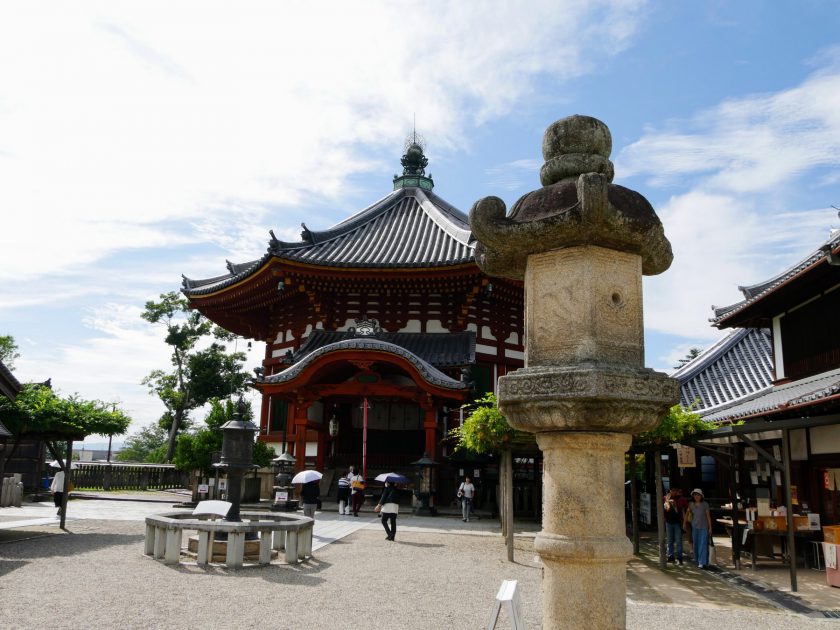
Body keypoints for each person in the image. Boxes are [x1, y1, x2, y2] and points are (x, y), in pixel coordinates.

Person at [684, 488, 713, 569]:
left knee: (703, 545)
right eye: (695, 495)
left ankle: (702, 562)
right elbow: (687, 514)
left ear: (701, 496)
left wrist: (710, 527)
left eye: (698, 495)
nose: (696, 496)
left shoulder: (705, 504)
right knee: (696, 545)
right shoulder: (691, 504)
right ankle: (698, 560)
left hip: (704, 527)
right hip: (695, 527)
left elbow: (708, 517)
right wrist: (684, 523)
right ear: (693, 496)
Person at [663, 487, 685, 565]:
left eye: (675, 490)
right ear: (670, 490)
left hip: (677, 523)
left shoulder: (680, 499)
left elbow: (680, 511)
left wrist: (675, 505)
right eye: (672, 490)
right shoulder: (666, 498)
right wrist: (667, 503)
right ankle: (670, 556)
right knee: (669, 540)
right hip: (668, 522)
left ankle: (679, 558)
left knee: (678, 541)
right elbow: (666, 509)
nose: (674, 492)